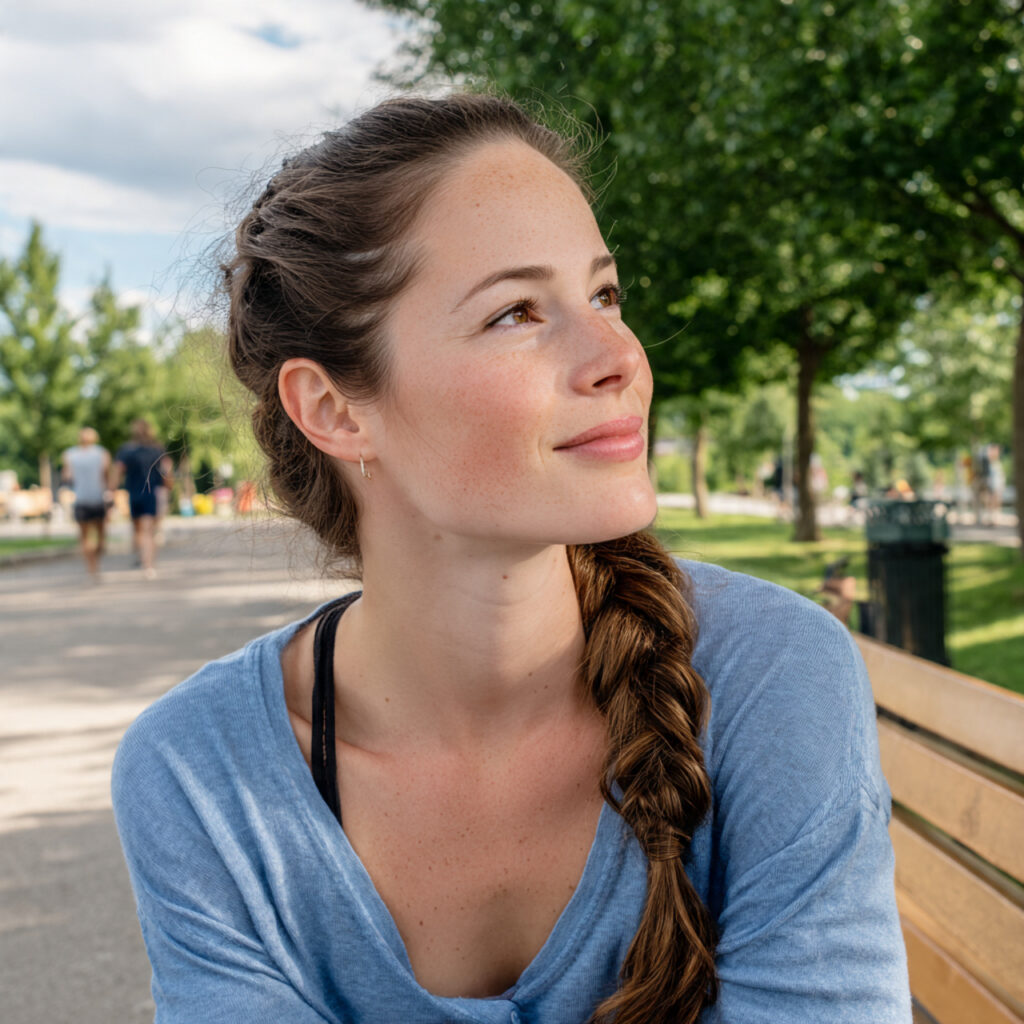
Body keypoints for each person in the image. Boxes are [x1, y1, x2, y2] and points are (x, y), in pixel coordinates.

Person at [112, 95, 911, 1023]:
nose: (619, 355)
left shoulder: (772, 677)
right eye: (517, 313)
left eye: (604, 294)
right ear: (334, 410)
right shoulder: (202, 777)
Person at [111, 418, 172, 579]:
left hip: (134, 493)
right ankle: (148, 564)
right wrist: (169, 486)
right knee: (148, 530)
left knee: (139, 530)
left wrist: (111, 490)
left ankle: (144, 559)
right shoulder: (157, 449)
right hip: (151, 493)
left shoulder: (126, 450)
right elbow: (166, 471)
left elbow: (117, 471)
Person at [61, 426, 111, 580]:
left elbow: (67, 476)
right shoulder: (102, 453)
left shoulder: (70, 454)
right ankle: (94, 566)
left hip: (81, 499)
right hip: (97, 498)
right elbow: (106, 474)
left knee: (85, 537)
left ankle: (92, 568)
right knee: (101, 537)